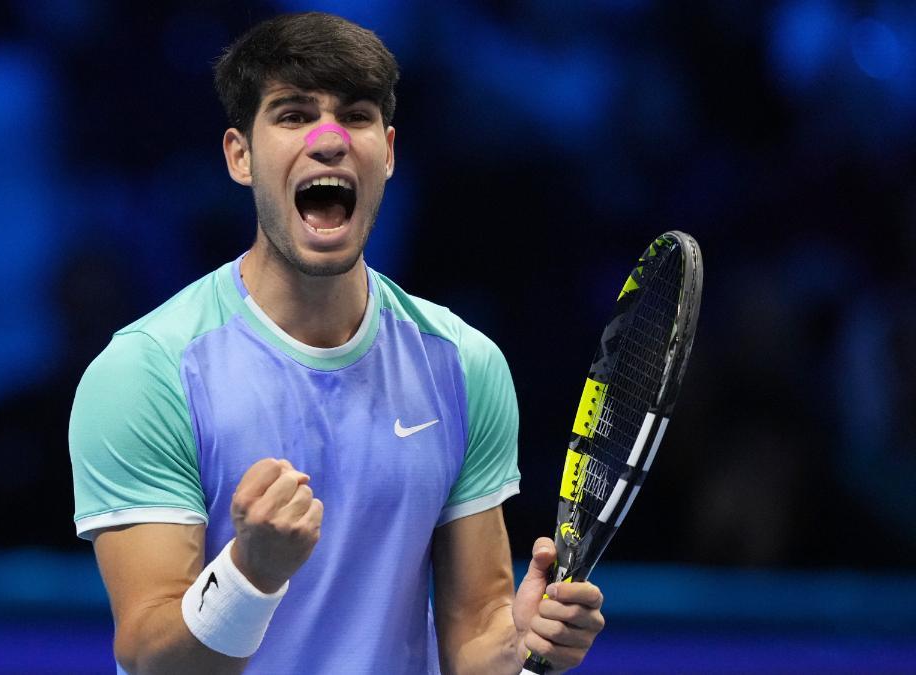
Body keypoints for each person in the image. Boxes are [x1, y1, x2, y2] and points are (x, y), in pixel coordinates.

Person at [69, 12, 605, 674]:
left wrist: (522, 641)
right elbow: (153, 657)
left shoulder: (464, 365)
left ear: (388, 151)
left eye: (354, 116)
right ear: (240, 155)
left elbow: (475, 634)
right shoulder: (146, 372)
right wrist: (248, 572)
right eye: (293, 115)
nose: (328, 140)